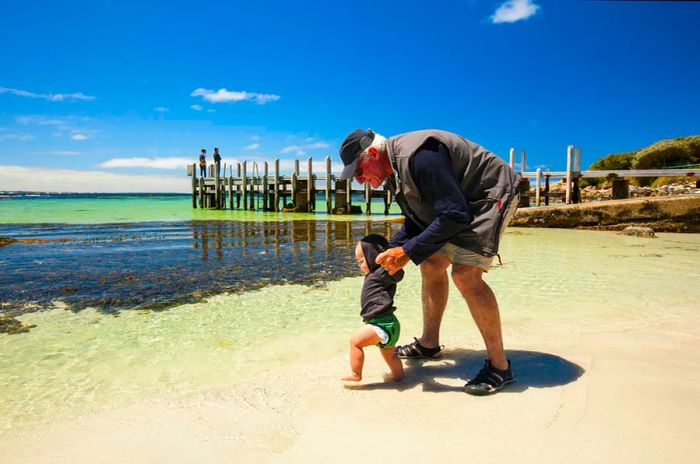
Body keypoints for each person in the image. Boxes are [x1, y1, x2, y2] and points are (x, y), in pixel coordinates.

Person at [338, 129, 520, 395]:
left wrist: (407, 252)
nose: (359, 181)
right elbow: (418, 221)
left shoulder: (422, 156)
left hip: (490, 195)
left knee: (465, 274)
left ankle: (500, 366)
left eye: (359, 171)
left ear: (374, 154)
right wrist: (391, 250)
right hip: (459, 202)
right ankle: (429, 344)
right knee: (431, 263)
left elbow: (454, 214)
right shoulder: (392, 172)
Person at [342, 234, 405, 382]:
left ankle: (356, 374)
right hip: (389, 324)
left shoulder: (382, 272)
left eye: (361, 261)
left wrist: (393, 264)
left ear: (373, 257)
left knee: (355, 343)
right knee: (390, 355)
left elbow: (398, 274)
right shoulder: (375, 274)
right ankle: (399, 376)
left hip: (381, 324)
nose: (359, 265)